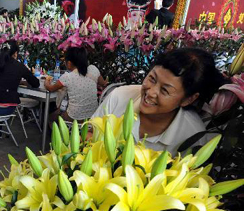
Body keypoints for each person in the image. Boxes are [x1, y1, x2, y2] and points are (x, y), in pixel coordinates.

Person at [92, 48, 226, 155]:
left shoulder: (192, 136)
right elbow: (90, 133)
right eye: (152, 78)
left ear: (188, 99)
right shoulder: (120, 96)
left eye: (165, 90)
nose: (150, 93)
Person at [0, 40, 39, 139]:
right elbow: (36, 83)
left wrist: (16, 80)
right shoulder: (19, 66)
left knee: (0, 96)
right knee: (5, 99)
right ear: (15, 53)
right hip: (7, 108)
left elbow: (0, 80)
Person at [44, 47, 98, 122]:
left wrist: (46, 80)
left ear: (69, 63)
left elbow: (50, 88)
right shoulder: (93, 70)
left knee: (51, 118)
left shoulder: (67, 77)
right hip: (93, 116)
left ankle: (59, 133)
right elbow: (102, 83)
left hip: (75, 117)